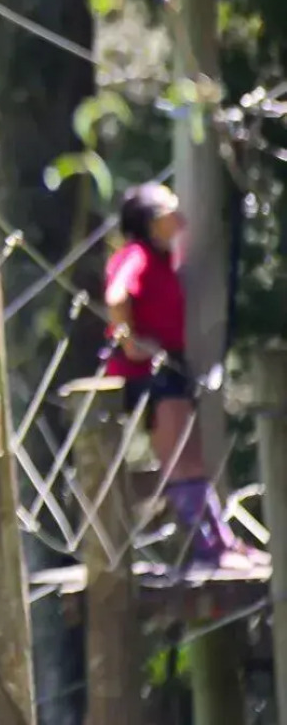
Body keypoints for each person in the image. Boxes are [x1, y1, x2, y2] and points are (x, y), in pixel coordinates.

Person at [102, 181, 262, 569]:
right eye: (169, 210)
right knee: (184, 463)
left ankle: (220, 543)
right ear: (152, 221)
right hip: (148, 375)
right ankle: (209, 550)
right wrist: (133, 345)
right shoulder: (135, 256)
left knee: (191, 462)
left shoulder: (159, 260)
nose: (179, 217)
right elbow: (117, 298)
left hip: (167, 370)